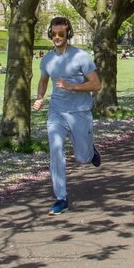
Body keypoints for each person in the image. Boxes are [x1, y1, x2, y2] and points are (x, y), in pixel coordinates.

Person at [33, 16, 102, 215]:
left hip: (79, 112)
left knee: (81, 157)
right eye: (53, 34)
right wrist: (39, 97)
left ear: (68, 34)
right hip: (56, 112)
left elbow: (96, 85)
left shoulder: (81, 57)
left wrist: (72, 86)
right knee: (55, 151)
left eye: (61, 34)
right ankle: (61, 198)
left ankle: (90, 152)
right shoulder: (47, 59)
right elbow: (44, 79)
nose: (57, 37)